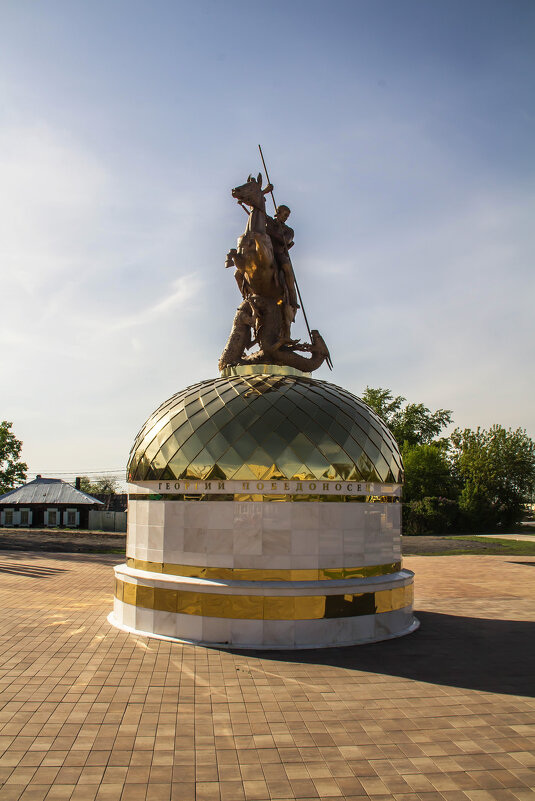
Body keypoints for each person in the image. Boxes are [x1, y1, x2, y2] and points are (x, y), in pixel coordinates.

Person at [266, 205, 299, 338]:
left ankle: (291, 295)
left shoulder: (288, 230)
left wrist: (270, 231)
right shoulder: (269, 221)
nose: (285, 217)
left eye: (287, 216)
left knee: (286, 267)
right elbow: (258, 211)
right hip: (266, 251)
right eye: (284, 214)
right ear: (277, 212)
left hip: (278, 253)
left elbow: (285, 240)